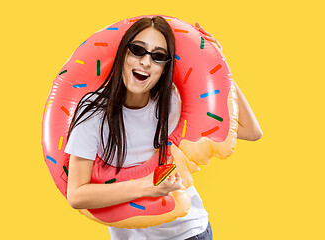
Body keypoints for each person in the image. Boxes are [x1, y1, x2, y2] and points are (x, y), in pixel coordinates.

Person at [64, 16, 262, 240]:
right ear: (123, 54)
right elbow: (77, 194)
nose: (146, 62)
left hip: (188, 232)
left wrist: (219, 67)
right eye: (137, 50)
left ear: (164, 69)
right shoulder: (94, 112)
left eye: (158, 57)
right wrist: (147, 187)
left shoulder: (172, 103)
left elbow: (250, 131)